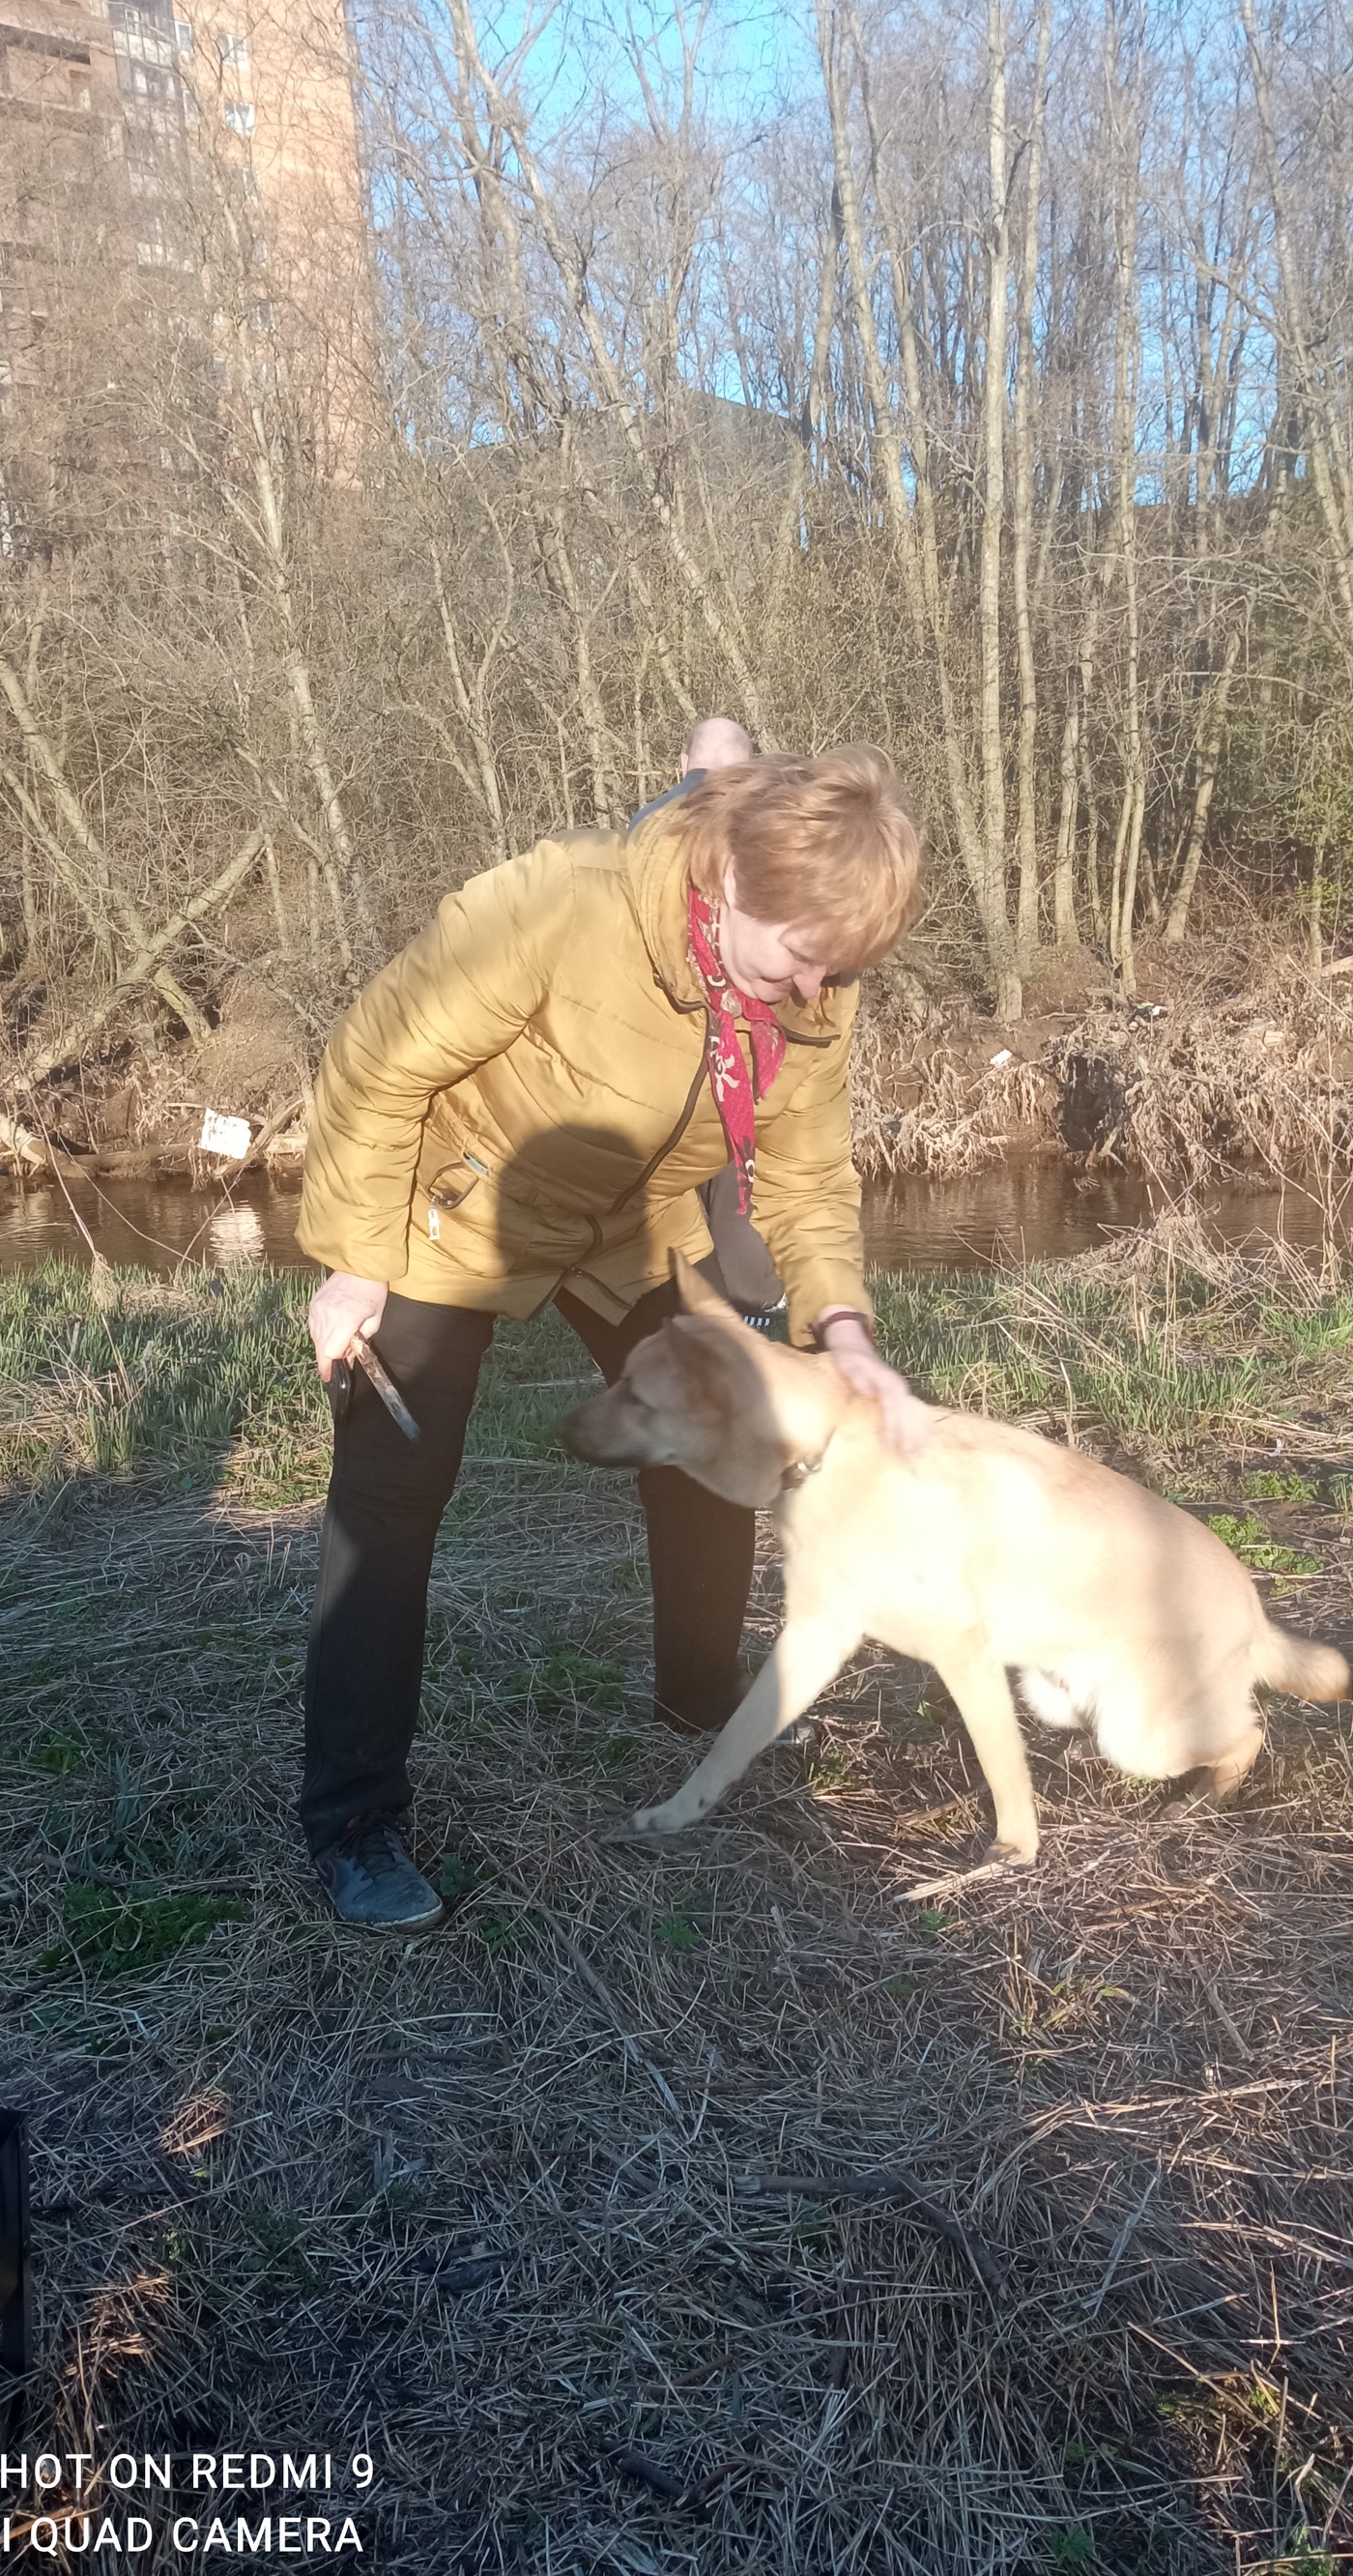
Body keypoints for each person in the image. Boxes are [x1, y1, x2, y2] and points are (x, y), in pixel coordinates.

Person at [297, 746, 926, 1928]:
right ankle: (353, 1821)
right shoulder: (562, 903)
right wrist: (357, 1261)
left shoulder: (812, 983)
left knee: (711, 1446)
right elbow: (377, 1062)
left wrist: (840, 1322)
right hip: (453, 1207)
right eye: (800, 956)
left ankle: (702, 1710)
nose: (813, 991)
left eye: (837, 969)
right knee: (394, 1489)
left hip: (630, 1227)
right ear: (736, 876)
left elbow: (802, 1173)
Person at [635, 719, 789, 1330]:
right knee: (733, 1179)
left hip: (649, 1034)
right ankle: (757, 1305)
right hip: (730, 1031)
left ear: (681, 763)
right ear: (749, 770)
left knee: (666, 1186)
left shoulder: (642, 828)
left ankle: (682, 1314)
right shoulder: (765, 831)